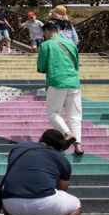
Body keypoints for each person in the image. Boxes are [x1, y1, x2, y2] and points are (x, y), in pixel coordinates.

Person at [0, 129, 82, 215]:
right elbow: (62, 189)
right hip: (45, 205)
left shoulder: (19, 147)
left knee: (5, 194)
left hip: (12, 206)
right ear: (59, 146)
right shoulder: (63, 160)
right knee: (77, 206)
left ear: (40, 139)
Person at [37, 22, 83, 154]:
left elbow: (41, 67)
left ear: (46, 32)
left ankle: (67, 133)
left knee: (53, 113)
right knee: (75, 116)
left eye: (43, 34)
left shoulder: (46, 45)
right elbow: (77, 65)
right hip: (74, 82)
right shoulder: (70, 44)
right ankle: (78, 146)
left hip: (57, 82)